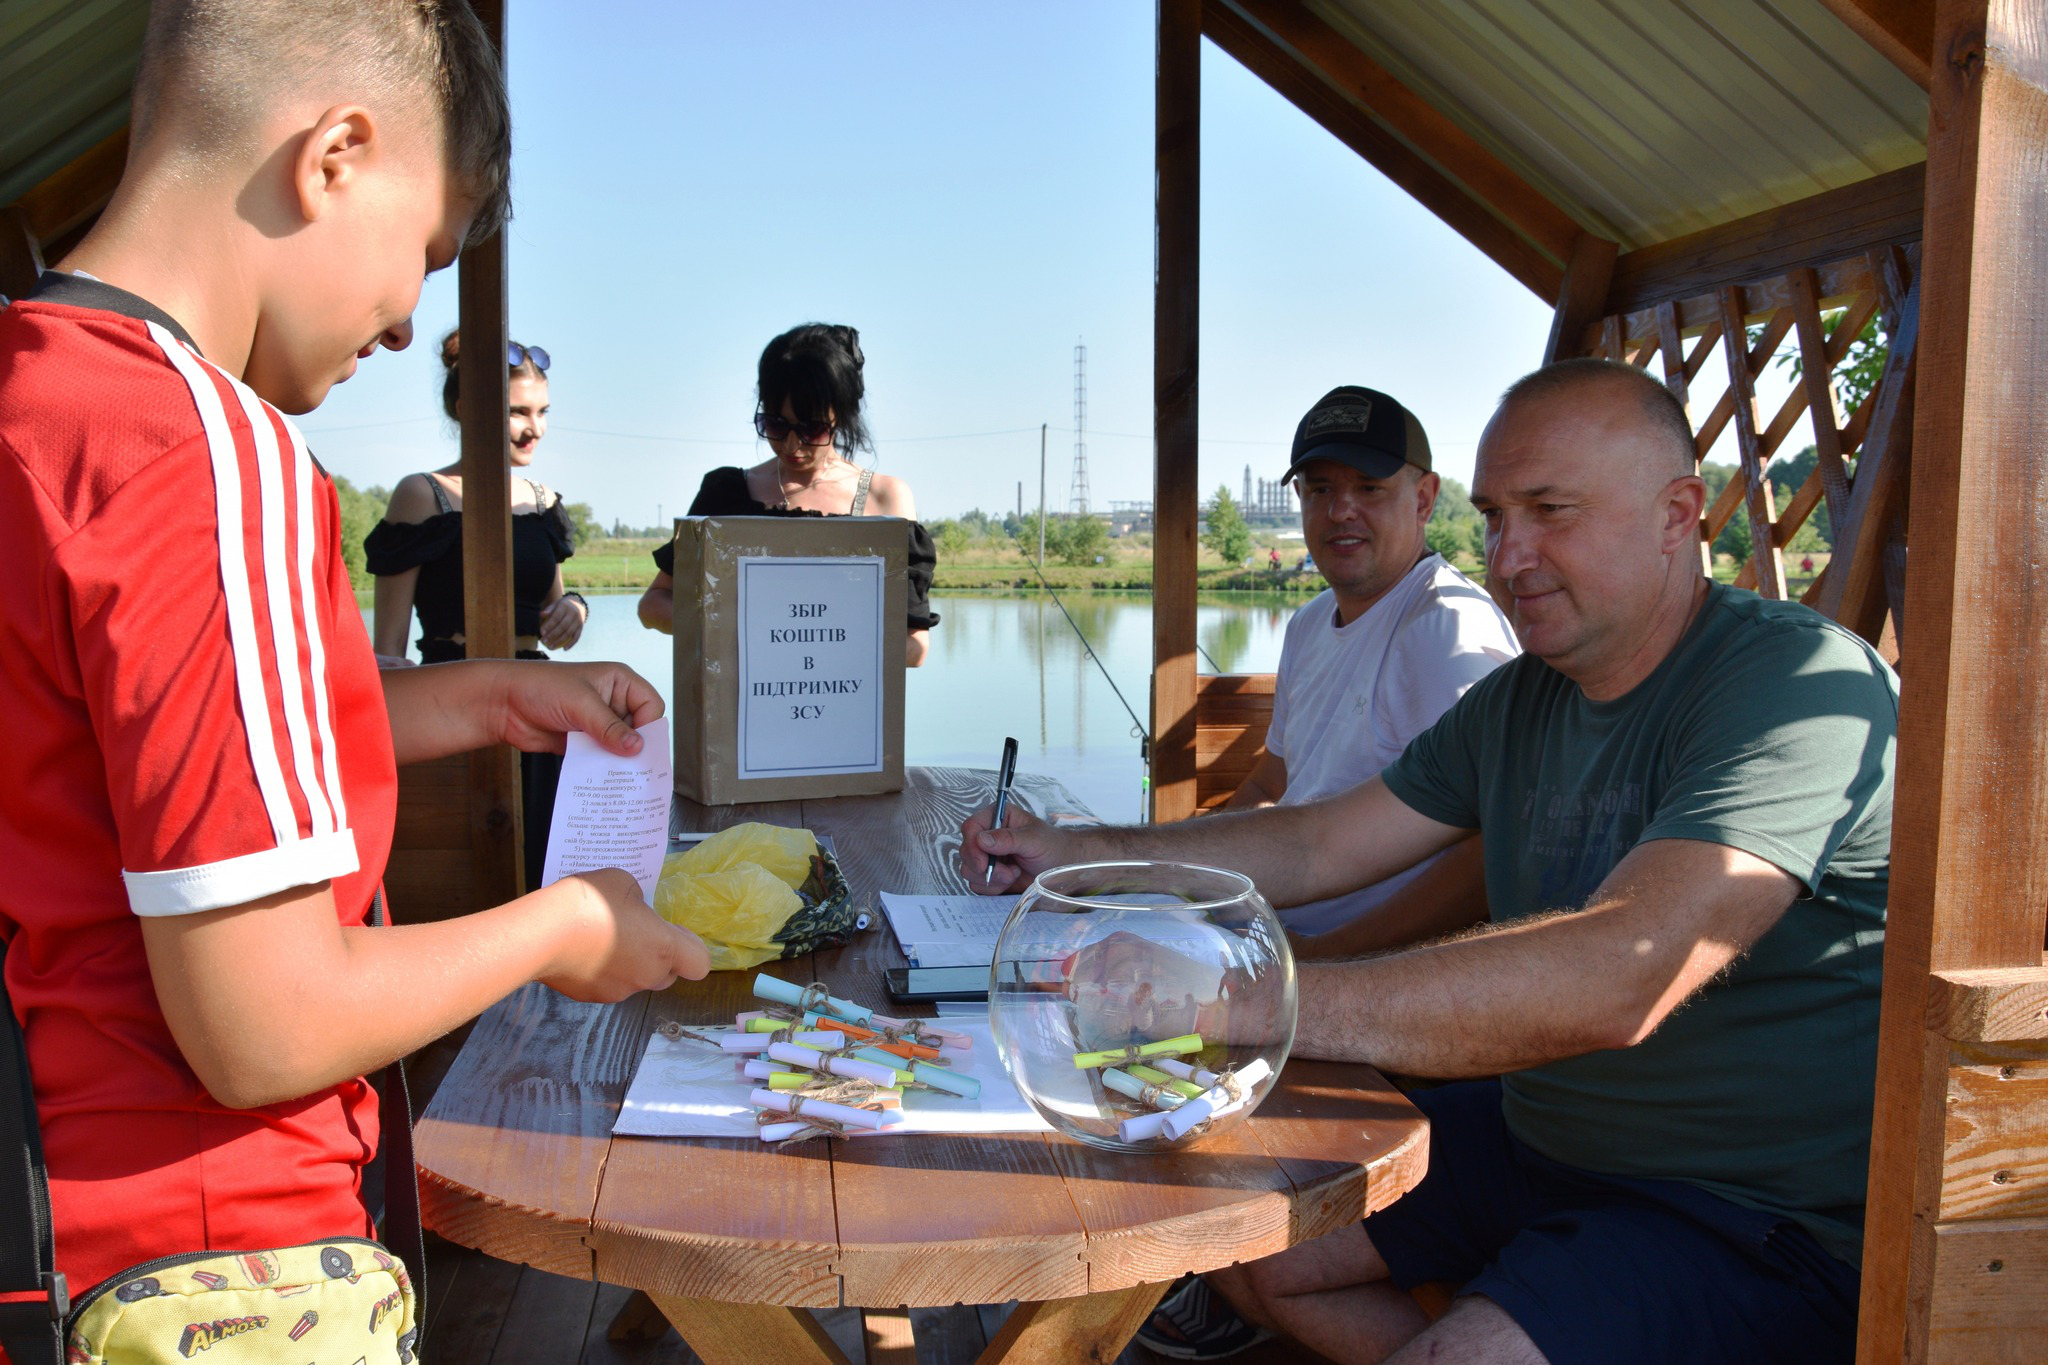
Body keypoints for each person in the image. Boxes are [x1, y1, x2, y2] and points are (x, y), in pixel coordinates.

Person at [963, 359, 1895, 1364]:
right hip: (1541, 1133)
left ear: (1678, 514)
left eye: (1551, 512)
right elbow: (1318, 838)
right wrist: (1080, 853)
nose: (1508, 557)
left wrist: (1234, 1001)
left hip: (1736, 1204)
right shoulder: (1523, 697)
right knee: (1255, 1249)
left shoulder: (1791, 686)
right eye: (1496, 516)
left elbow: (1623, 972)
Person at [0, 0, 708, 1315]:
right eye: (427, 249)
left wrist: (484, 695)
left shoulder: (39, 398)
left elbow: (149, 755)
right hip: (220, 1265)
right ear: (333, 155)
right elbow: (264, 1021)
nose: (402, 326)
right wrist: (566, 924)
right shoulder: (209, 450)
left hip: (60, 1242)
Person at [1220, 387, 1517, 953]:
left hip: (1364, 966)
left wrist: (1330, 959)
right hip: (1273, 936)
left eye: (1369, 488)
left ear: (1425, 498)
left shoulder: (1447, 629)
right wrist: (1189, 886)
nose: (1340, 511)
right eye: (1321, 488)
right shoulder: (1307, 625)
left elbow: (1489, 848)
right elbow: (1269, 785)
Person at [366, 328, 584, 888]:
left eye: (542, 411)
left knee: (543, 876)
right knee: (461, 882)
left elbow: (553, 618)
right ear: (466, 409)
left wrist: (576, 611)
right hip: (450, 706)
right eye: (517, 412)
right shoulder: (422, 494)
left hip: (536, 710)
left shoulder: (543, 502)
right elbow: (386, 652)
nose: (533, 428)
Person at [637, 324, 939, 665]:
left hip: (840, 706)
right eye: (777, 425)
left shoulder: (884, 498)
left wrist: (811, 639)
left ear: (841, 415)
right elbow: (653, 605)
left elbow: (914, 648)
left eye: (811, 428)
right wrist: (740, 628)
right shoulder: (725, 492)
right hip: (739, 711)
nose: (792, 446)